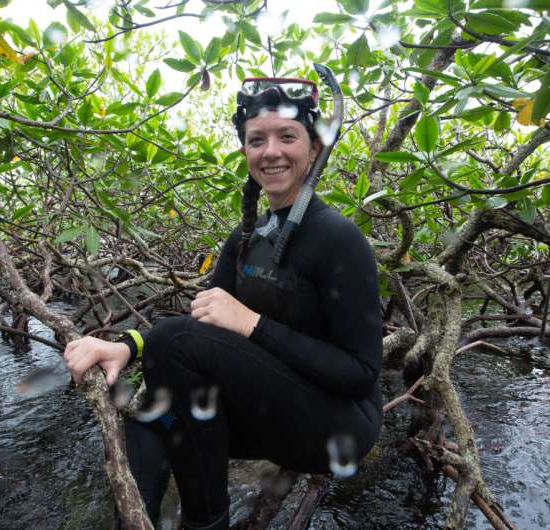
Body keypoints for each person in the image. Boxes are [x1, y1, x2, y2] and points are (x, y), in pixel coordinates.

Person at [64, 74, 383, 530]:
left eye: (286, 136)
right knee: (154, 412)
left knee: (173, 350)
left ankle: (204, 525)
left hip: (341, 426)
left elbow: (361, 373)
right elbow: (201, 320)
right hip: (279, 404)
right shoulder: (247, 237)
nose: (270, 151)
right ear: (246, 153)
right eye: (257, 140)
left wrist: (254, 325)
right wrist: (126, 347)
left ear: (313, 149)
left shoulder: (339, 238)